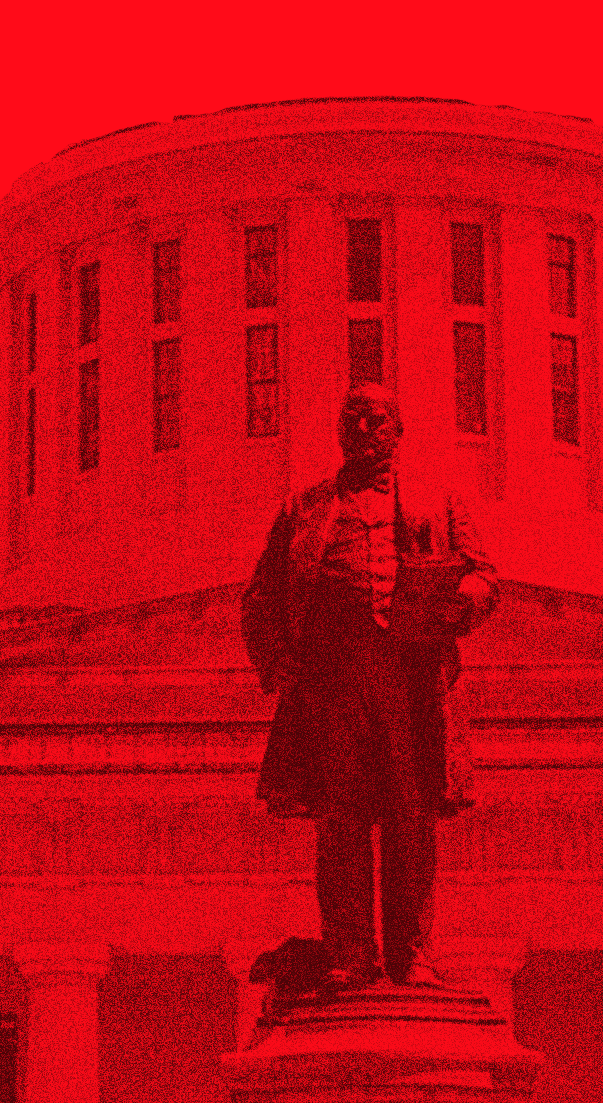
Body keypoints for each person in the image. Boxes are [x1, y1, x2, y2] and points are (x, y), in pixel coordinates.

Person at [240, 384, 497, 991]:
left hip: (410, 683)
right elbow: (262, 595)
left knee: (412, 818)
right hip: (332, 683)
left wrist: (463, 598)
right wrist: (279, 663)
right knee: (342, 819)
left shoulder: (438, 502)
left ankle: (413, 953)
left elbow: (485, 575)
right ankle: (350, 952)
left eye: (374, 419)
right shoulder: (305, 509)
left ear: (397, 432)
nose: (360, 427)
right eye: (349, 418)